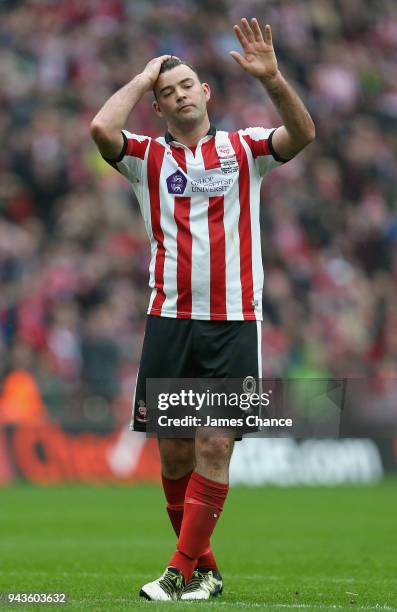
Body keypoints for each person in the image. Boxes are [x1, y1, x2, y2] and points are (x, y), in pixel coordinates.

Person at [91, 17, 315, 602]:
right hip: (168, 320)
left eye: (186, 84)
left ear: (206, 92)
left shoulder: (245, 148)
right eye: (168, 92)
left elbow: (303, 133)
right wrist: (143, 78)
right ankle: (206, 571)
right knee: (173, 453)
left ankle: (177, 570)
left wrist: (273, 79)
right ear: (159, 108)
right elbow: (99, 127)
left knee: (215, 444)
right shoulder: (144, 157)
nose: (179, 93)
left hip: (235, 321)